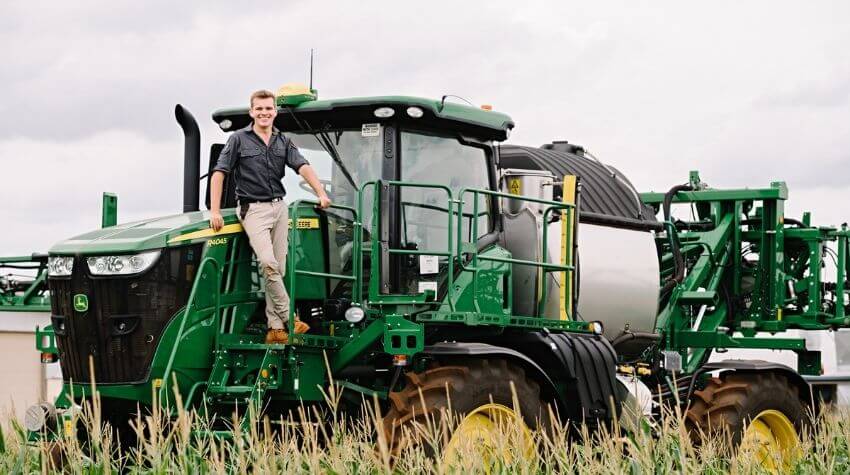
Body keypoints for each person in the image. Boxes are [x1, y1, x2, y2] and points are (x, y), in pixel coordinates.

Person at [209, 89, 331, 344]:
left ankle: (275, 328)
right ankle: (290, 319)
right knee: (268, 263)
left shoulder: (282, 141)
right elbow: (219, 173)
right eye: (259, 109)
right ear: (251, 112)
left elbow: (303, 166)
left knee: (280, 268)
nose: (264, 113)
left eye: (269, 109)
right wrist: (216, 211)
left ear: (275, 112)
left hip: (279, 208)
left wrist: (321, 193)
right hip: (253, 210)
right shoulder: (238, 140)